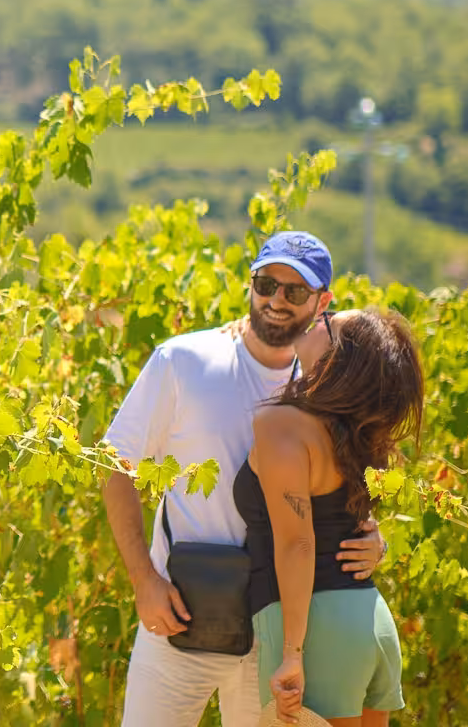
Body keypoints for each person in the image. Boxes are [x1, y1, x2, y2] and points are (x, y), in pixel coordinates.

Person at [101, 231, 386, 727]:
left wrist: (374, 539)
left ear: (323, 301)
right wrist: (143, 580)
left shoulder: (327, 387)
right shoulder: (184, 362)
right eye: (266, 283)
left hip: (278, 634)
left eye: (295, 291)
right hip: (179, 618)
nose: (276, 300)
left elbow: (354, 482)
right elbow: (114, 465)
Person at [236, 307, 422, 725]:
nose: (319, 317)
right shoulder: (356, 435)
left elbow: (298, 543)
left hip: (318, 632)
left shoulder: (283, 424)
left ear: (337, 358)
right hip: (369, 620)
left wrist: (292, 653)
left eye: (330, 320)